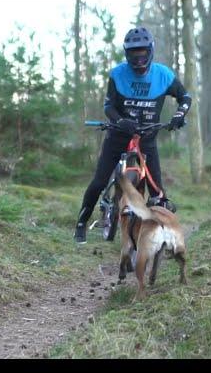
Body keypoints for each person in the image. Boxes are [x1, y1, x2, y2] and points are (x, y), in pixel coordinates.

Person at [74, 26, 192, 244]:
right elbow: (109, 106)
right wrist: (120, 121)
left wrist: (178, 114)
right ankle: (81, 223)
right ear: (126, 54)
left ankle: (161, 237)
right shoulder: (117, 74)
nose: (138, 60)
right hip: (118, 137)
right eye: (133, 55)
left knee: (158, 193)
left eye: (143, 54)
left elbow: (185, 97)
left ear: (150, 51)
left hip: (147, 140)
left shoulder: (164, 75)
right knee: (99, 182)